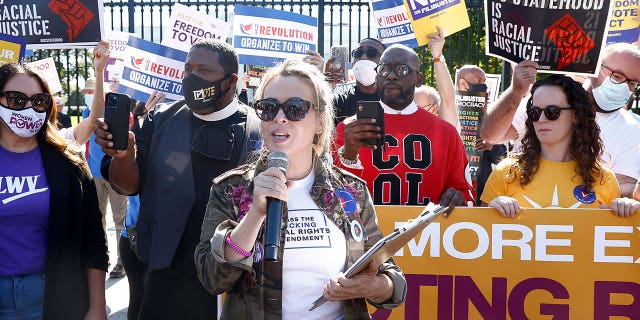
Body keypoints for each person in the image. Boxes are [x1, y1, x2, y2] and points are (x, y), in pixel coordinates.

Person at [195, 59, 406, 319]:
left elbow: (393, 281)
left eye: (295, 108)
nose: (280, 117)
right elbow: (212, 279)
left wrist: (375, 286)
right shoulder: (232, 190)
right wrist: (255, 215)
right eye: (269, 108)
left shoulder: (352, 191)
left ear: (320, 122)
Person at [95, 39, 261, 319]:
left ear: (231, 81)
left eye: (204, 71)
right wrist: (124, 154)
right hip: (164, 274)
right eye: (188, 69)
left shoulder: (256, 131)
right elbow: (127, 185)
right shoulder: (161, 119)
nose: (192, 78)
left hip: (227, 281)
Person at [0, 63, 108, 319]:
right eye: (16, 99)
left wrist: (96, 307)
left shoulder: (70, 166)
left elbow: (93, 241)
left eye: (38, 101)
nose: (28, 108)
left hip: (54, 293)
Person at [481, 43, 640, 197]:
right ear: (595, 68)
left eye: (632, 83)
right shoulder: (547, 98)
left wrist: (576, 197)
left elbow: (625, 185)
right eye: (617, 77)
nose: (542, 119)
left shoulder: (632, 129)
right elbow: (490, 134)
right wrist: (516, 92)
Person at [334, 43, 474, 210]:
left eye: (401, 69)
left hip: (427, 234)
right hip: (369, 233)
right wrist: (348, 156)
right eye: (384, 70)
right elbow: (330, 198)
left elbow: (466, 194)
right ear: (377, 77)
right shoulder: (349, 130)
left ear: (418, 79)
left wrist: (458, 198)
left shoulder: (446, 133)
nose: (391, 76)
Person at [82, 73, 128, 279]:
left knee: (120, 219)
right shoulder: (85, 112)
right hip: (94, 173)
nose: (89, 95)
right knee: (97, 217)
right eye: (88, 92)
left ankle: (122, 261)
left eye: (93, 91)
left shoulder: (116, 111)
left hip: (115, 173)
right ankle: (104, 256)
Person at [455, 64, 507, 205]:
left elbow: (503, 157)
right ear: (463, 84)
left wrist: (491, 146)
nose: (483, 84)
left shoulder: (489, 117)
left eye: (484, 81)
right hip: (452, 192)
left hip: (481, 193)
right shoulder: (448, 112)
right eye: (479, 80)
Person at [328, 38, 386, 125]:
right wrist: (326, 86)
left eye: (372, 53)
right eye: (358, 53)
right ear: (353, 62)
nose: (363, 57)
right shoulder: (340, 102)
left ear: (384, 63)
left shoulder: (393, 102)